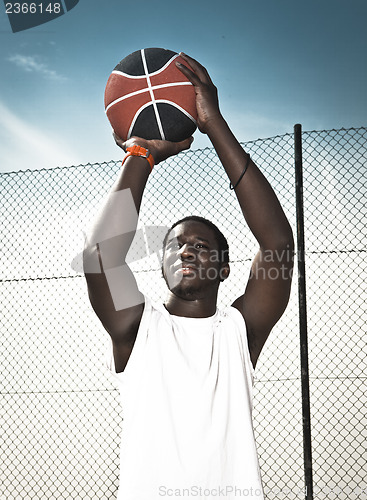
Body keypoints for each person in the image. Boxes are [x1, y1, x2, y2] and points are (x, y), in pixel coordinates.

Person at [83, 53, 294, 500]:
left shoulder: (240, 330)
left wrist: (213, 123)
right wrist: (141, 152)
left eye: (201, 246)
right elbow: (101, 257)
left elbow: (277, 244)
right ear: (159, 268)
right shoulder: (138, 330)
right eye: (175, 244)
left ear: (223, 268)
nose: (186, 249)